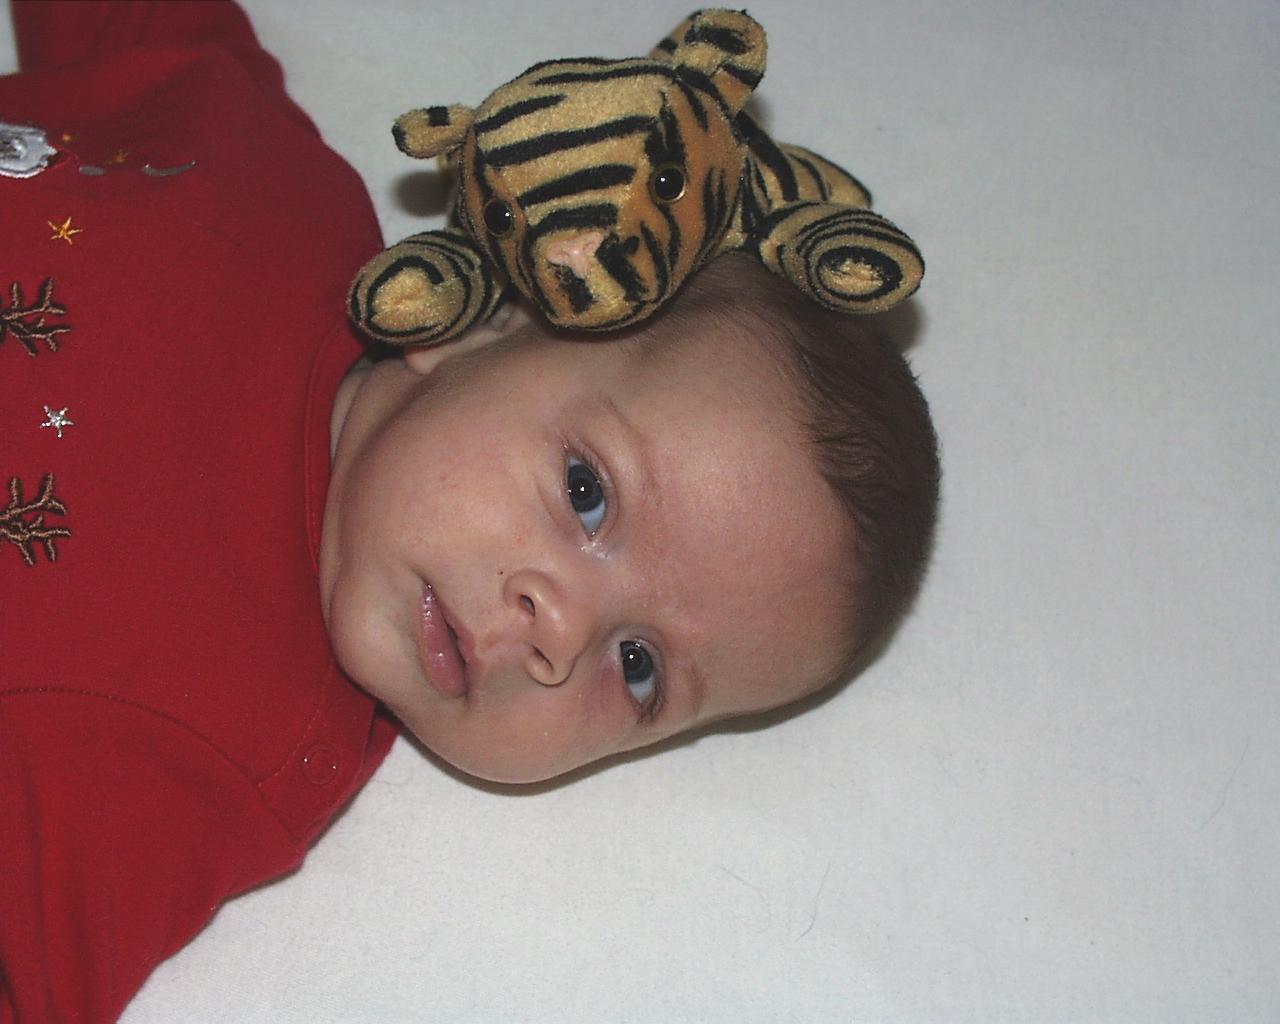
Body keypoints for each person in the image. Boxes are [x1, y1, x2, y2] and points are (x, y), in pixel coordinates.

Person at [0, 1, 937, 1019]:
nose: (558, 632)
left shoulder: (190, 756)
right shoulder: (278, 190)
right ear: (484, 322)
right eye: (586, 493)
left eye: (639, 667)